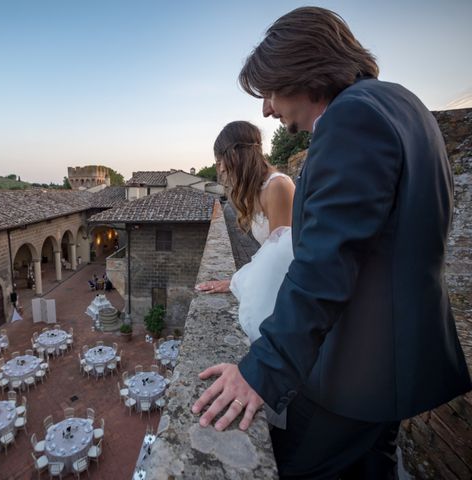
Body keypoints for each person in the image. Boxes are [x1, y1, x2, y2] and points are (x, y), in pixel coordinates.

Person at [192, 7, 471, 479]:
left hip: (361, 368)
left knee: (293, 464)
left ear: (302, 71)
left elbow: (325, 263)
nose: (266, 109)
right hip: (396, 361)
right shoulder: (405, 105)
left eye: (270, 91)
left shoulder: (352, 119)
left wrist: (261, 369)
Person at [196, 120, 295, 344]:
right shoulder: (259, 188)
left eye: (220, 160)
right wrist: (234, 281)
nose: (220, 169)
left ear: (236, 155)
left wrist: (237, 282)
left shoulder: (278, 186)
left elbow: (280, 264)